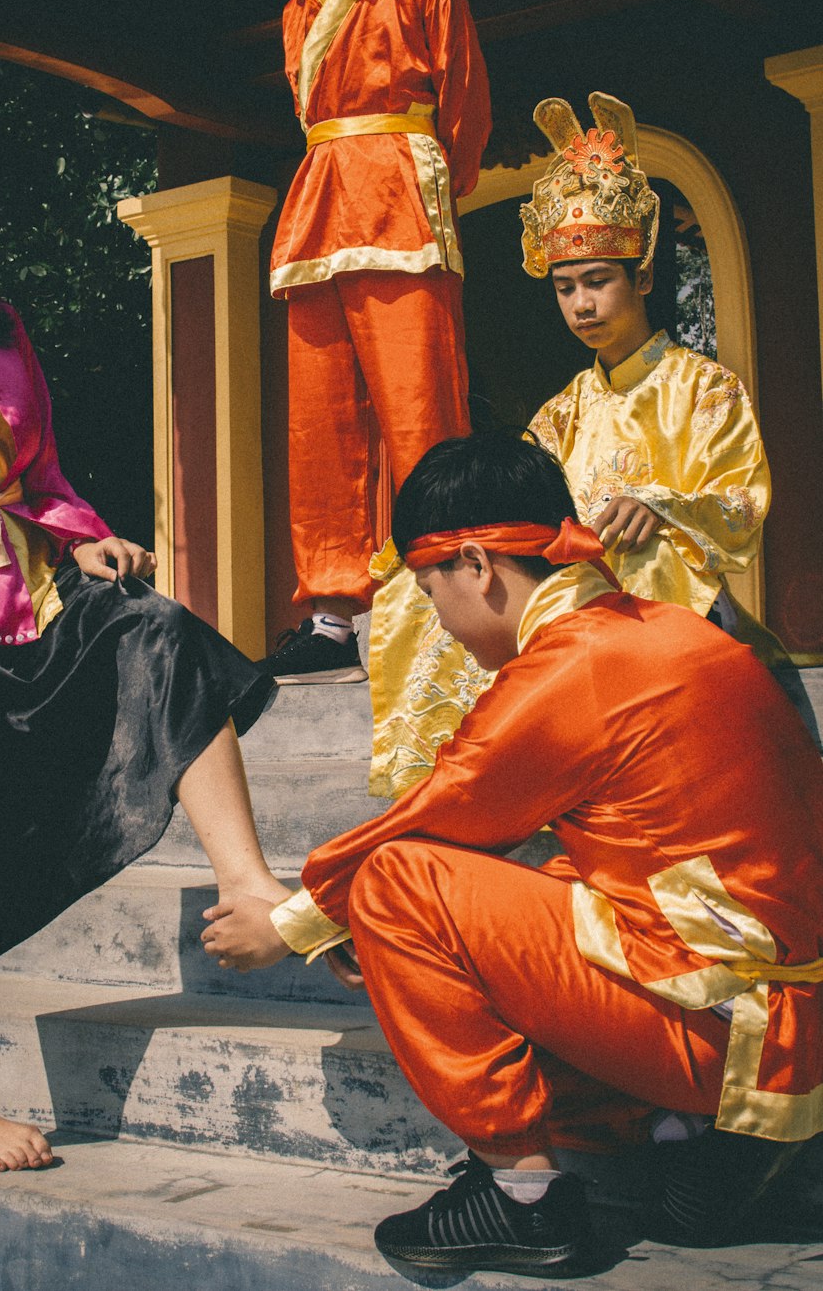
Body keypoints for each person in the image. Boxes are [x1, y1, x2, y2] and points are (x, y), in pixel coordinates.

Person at [201, 430, 823, 1274]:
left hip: (740, 1033)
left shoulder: (577, 666)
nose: (441, 622)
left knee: (394, 886)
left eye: (429, 591)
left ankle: (525, 1199)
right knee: (548, 872)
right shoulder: (674, 633)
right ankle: (682, 1143)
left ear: (476, 564)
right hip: (782, 1017)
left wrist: (287, 921)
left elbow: (433, 814)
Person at [0, 103, 290, 1174]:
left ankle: (248, 880)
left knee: (160, 630)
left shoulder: (0, 324)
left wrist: (81, 538)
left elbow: (40, 473)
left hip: (32, 574)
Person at [368, 90, 782, 800]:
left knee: (641, 551)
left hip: (664, 598)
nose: (582, 305)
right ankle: (453, 783)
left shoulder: (705, 389)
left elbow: (743, 503)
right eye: (566, 289)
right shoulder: (562, 412)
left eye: (598, 282)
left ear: (642, 277)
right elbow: (507, 500)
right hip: (564, 589)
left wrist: (661, 504)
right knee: (420, 586)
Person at [257, 0, 491, 684]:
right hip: (322, 194)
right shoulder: (298, 5)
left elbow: (465, 106)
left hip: (397, 187)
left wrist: (428, 180)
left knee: (419, 403)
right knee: (319, 419)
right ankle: (329, 614)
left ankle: (445, 585)